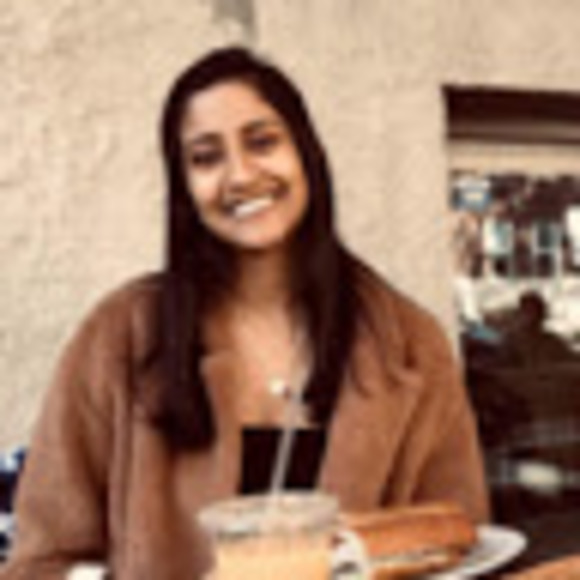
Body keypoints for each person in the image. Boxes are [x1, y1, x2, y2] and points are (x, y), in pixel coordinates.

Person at [0, 47, 489, 579]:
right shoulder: (121, 336)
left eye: (262, 142)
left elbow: (458, 545)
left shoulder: (409, 343)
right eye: (206, 157)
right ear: (184, 187)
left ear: (305, 152)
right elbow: (41, 561)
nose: (240, 175)